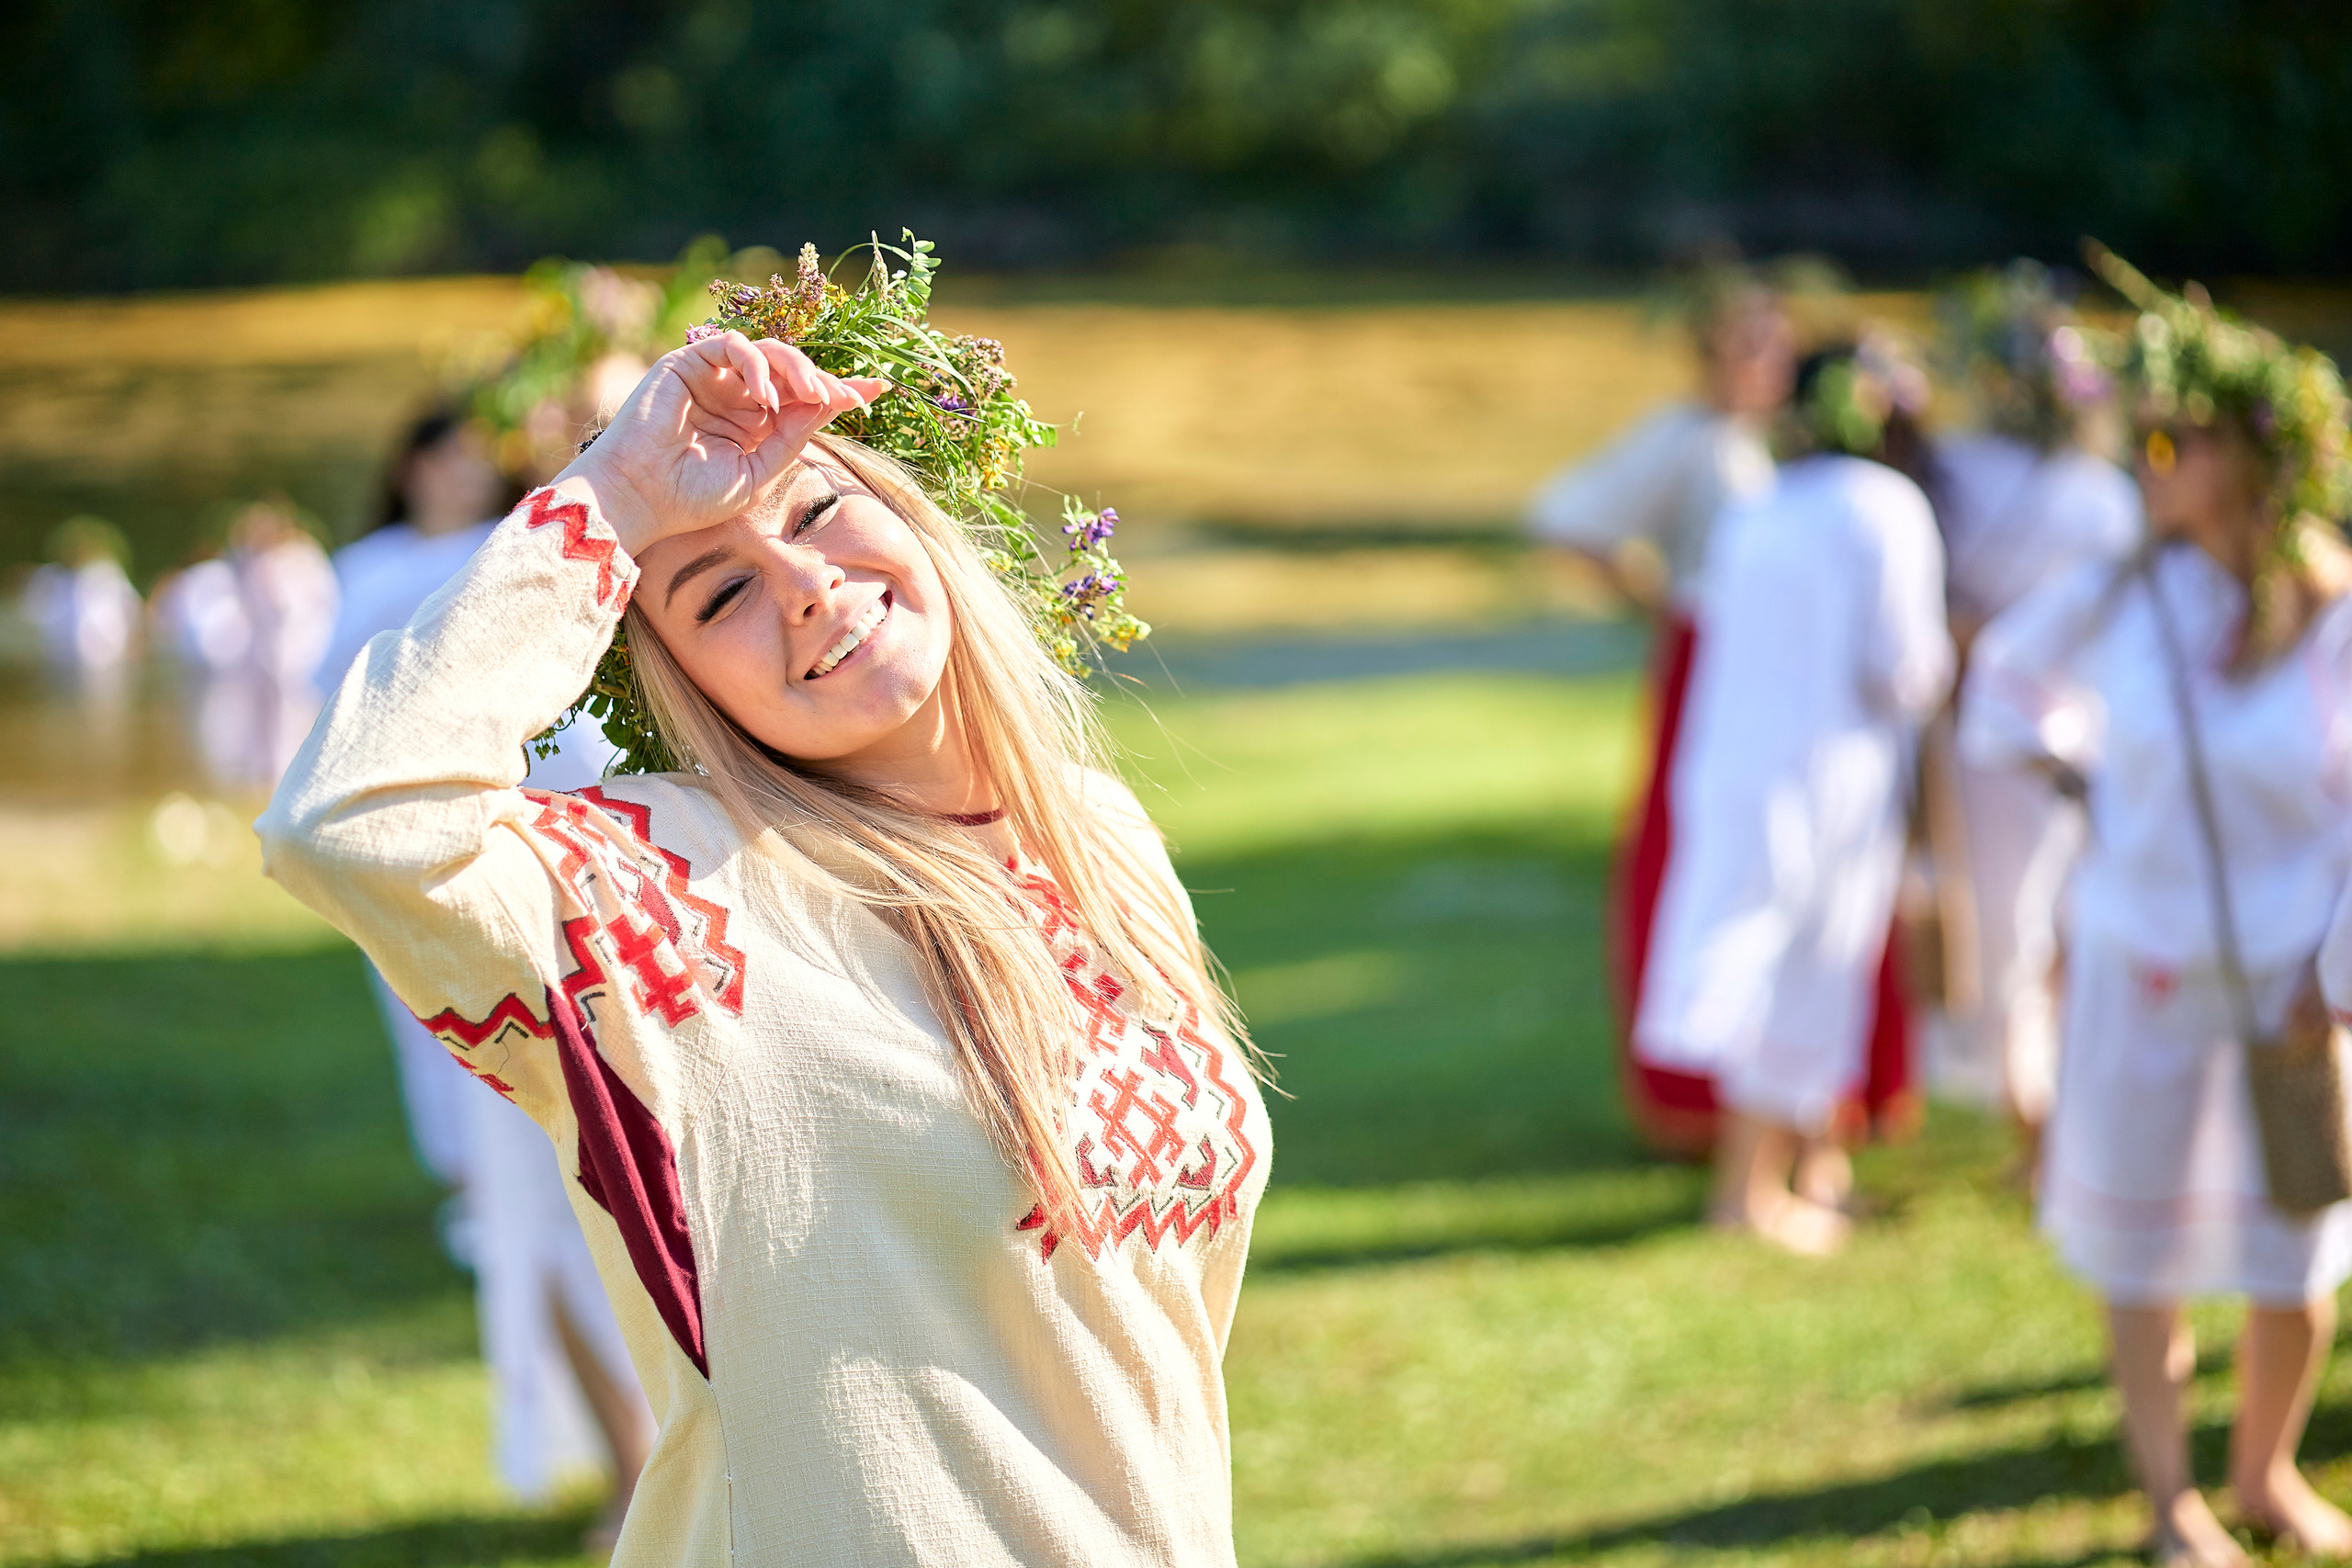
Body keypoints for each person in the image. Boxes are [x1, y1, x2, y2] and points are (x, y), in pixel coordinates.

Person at [259, 295, 1271, 1562]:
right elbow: (351, 819)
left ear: (916, 509)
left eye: (817, 508)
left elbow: (1148, 1341)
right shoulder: (658, 884)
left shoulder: (1099, 833)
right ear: (682, 683)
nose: (803, 587)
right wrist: (617, 494)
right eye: (721, 589)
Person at [1962, 248, 2352, 1566]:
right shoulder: (2125, 589)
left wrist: (2338, 971)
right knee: (2144, 1239)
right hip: (2139, 963)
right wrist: (2087, 787)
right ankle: (2168, 1497)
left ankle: (2266, 1469)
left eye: (2176, 437)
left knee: (2294, 1243)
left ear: (2252, 450)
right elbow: (1999, 687)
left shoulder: (2338, 610)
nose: (2151, 457)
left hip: (2294, 976)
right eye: (2145, 435)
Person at [326, 407, 652, 1540]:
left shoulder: (535, 551)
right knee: (508, 1193)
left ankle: (663, 1458)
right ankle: (629, 1456)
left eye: (483, 448)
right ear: (409, 462)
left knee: (627, 1184)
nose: (466, 467)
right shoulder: (365, 574)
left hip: (581, 906)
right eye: (445, 448)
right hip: (443, 904)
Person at [1637, 338, 1954, 1255]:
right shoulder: (1886, 507)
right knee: (1798, 971)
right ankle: (1747, 1192)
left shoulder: (1757, 509)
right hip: (1829, 777)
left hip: (1732, 768)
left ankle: (1814, 1168)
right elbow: (1905, 667)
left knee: (1781, 960)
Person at [1527, 267, 1798, 1156]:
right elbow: (1567, 518)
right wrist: (1654, 600)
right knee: (1692, 855)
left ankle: (1781, 1087)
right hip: (1711, 667)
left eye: (1776, 346)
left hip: (1781, 674)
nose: (1767, 363)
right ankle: (1694, 1098)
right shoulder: (1689, 440)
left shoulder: (1789, 443)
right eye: (1751, 345)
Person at [1930, 265, 2142, 1170]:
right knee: (2049, 920)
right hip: (2074, 726)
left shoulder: (1956, 468)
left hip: (1988, 722)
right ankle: (2038, 1114)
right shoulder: (2101, 489)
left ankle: (2032, 1110)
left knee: (2008, 918)